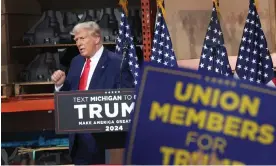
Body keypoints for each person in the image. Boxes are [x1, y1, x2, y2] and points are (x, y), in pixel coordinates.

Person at [51, 21, 134, 164]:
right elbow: (70, 97)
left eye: (82, 38)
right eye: (76, 40)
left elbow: (126, 102)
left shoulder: (117, 64)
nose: (78, 43)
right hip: (79, 142)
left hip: (105, 145)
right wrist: (60, 85)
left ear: (96, 38)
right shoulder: (76, 62)